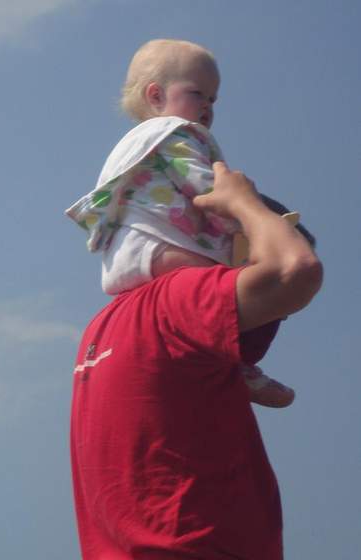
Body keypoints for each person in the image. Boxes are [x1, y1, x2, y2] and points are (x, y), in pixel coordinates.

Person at [70, 161, 323, 559]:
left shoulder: (105, 327)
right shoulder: (177, 299)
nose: (278, 317)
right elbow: (294, 272)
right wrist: (244, 203)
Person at [66, 39, 313, 407]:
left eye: (213, 99)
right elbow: (203, 184)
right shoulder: (177, 132)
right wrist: (250, 219)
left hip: (133, 256)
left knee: (231, 293)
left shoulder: (135, 143)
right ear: (155, 95)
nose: (208, 106)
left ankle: (230, 358)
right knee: (259, 281)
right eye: (198, 93)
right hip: (163, 247)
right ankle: (239, 361)